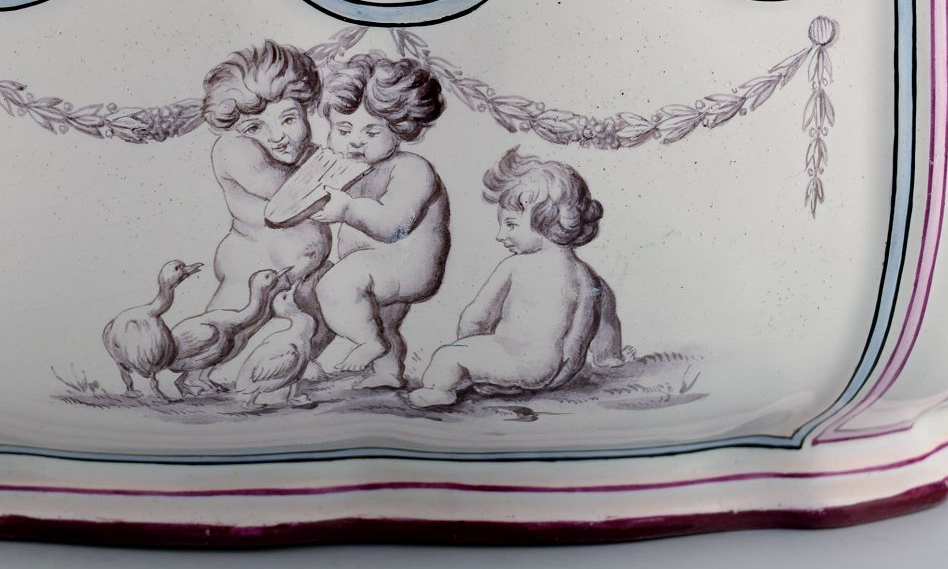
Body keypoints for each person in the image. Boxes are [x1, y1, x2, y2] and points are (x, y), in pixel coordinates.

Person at [408, 147, 622, 408]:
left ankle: (439, 391)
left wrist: (469, 347)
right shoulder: (589, 278)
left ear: (546, 223)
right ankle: (504, 383)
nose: (501, 235)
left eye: (510, 224)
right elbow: (607, 324)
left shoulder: (516, 265)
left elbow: (476, 317)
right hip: (560, 374)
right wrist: (607, 358)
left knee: (447, 356)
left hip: (521, 363)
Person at [185, 41, 331, 394]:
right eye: (256, 128)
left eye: (289, 119)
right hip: (253, 263)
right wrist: (333, 171)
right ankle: (195, 374)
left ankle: (297, 367)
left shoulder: (308, 154)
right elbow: (285, 192)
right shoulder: (234, 150)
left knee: (322, 316)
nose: (277, 136)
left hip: (304, 268)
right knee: (234, 324)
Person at [311, 52, 450, 389]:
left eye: (371, 132)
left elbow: (394, 226)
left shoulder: (412, 168)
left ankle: (368, 343)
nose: (355, 140)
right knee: (383, 321)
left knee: (333, 287)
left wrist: (347, 209)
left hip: (407, 265)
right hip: (377, 267)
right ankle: (387, 374)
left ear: (400, 130)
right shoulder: (350, 167)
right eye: (344, 129)